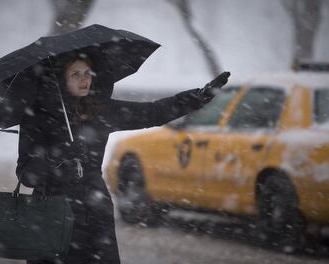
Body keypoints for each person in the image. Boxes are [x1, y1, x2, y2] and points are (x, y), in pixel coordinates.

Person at [16, 52, 230, 264]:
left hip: (95, 211)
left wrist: (197, 98)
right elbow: (27, 175)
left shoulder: (98, 110)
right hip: (50, 213)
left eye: (87, 73)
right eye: (75, 74)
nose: (84, 79)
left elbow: (153, 112)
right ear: (60, 80)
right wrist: (60, 155)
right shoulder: (38, 116)